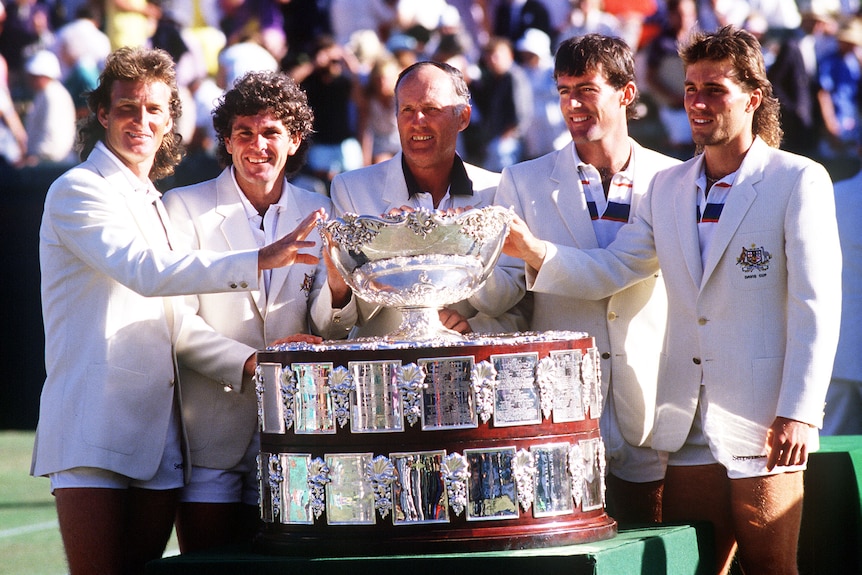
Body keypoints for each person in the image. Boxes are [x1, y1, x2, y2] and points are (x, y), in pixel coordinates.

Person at [504, 26, 841, 574]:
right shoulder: (667, 186)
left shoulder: (799, 179)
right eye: (690, 89)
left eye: (715, 89)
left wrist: (799, 412)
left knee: (772, 568)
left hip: (766, 421)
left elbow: (816, 306)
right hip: (684, 427)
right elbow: (614, 269)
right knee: (696, 568)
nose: (699, 103)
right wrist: (533, 251)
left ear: (753, 98)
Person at [31, 46, 328, 575]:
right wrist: (261, 259)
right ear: (102, 113)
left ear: (170, 120)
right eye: (127, 108)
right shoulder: (77, 189)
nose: (140, 121)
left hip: (162, 439)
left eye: (154, 110)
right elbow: (146, 273)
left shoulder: (149, 197)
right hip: (94, 426)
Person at [162, 70, 356, 553]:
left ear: (294, 141)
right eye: (244, 133)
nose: (257, 146)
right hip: (209, 434)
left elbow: (328, 327)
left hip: (293, 434)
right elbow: (177, 324)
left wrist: (337, 287)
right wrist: (255, 364)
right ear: (225, 141)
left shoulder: (320, 209)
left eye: (271, 132)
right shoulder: (183, 207)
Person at [495, 34, 679, 525]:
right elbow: (502, 291)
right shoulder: (522, 180)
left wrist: (534, 251)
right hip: (559, 411)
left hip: (654, 407)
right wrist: (455, 273)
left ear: (627, 93)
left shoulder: (675, 179)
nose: (572, 104)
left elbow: (617, 272)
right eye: (562, 90)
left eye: (586, 88)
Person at [329, 60, 526, 338]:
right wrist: (392, 244)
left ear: (463, 118)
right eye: (407, 109)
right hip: (386, 369)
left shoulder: (498, 189)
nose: (416, 121)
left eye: (431, 109)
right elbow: (353, 313)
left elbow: (507, 302)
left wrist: (459, 243)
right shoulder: (351, 188)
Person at [823, 166, 862, 436]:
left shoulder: (833, 195)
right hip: (838, 350)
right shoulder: (830, 195)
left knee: (830, 458)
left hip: (837, 348)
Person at [21, 49, 76, 166]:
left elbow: (52, 133)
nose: (30, 79)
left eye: (34, 76)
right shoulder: (45, 93)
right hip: (46, 160)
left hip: (51, 162)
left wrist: (37, 157)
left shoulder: (51, 95)